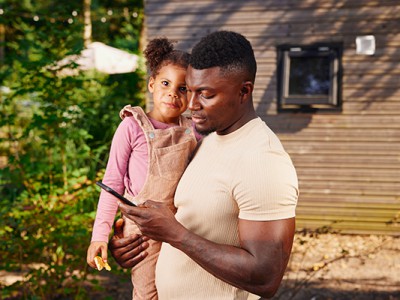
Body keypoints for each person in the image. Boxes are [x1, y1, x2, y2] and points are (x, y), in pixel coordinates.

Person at [109, 30, 299, 299]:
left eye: (206, 94)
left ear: (244, 91)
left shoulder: (263, 161)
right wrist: (136, 244)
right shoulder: (207, 142)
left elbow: (265, 277)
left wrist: (173, 234)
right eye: (191, 90)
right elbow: (188, 221)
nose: (192, 105)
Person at [87, 37, 201, 299]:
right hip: (142, 232)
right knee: (148, 293)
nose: (173, 93)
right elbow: (112, 184)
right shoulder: (132, 126)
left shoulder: (193, 130)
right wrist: (100, 237)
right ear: (151, 84)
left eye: (183, 88)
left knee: (180, 290)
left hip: (182, 225)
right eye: (165, 83)